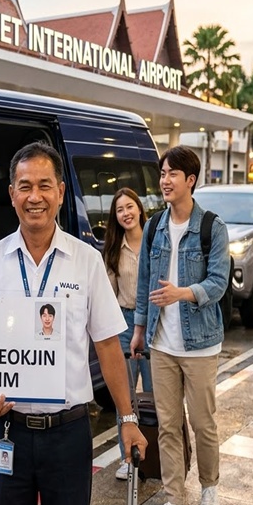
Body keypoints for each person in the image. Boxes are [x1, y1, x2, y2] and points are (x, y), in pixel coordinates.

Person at [0, 142, 147, 505]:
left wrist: (127, 419)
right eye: (25, 186)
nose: (36, 197)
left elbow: (107, 343)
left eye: (45, 186)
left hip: (67, 435)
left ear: (61, 192)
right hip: (7, 430)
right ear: (12, 193)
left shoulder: (85, 261)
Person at [130, 146, 229, 505]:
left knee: (203, 423)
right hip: (160, 342)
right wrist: (139, 329)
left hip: (201, 343)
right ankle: (174, 499)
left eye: (173, 174)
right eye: (162, 173)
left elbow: (218, 283)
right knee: (169, 425)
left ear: (191, 180)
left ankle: (209, 487)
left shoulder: (212, 228)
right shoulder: (154, 226)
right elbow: (143, 283)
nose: (165, 180)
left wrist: (182, 293)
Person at [103, 187, 152, 480]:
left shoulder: (154, 241)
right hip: (123, 321)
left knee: (154, 394)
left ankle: (154, 453)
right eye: (120, 210)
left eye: (130, 206)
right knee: (124, 395)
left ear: (139, 208)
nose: (126, 213)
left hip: (152, 324)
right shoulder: (112, 248)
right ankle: (126, 456)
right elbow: (108, 295)